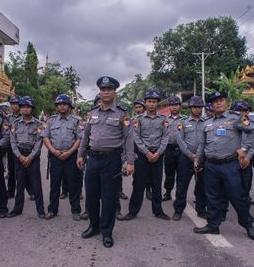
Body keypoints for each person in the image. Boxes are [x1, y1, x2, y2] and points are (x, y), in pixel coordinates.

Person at [77, 76, 134, 248]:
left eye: (109, 89)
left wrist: (130, 161)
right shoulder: (92, 113)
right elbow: (85, 136)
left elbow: (129, 138)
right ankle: (93, 226)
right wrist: (80, 155)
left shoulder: (122, 113)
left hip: (112, 161)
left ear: (115, 91)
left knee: (109, 198)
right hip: (93, 160)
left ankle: (107, 232)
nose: (106, 92)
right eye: (103, 89)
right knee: (92, 196)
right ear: (99, 92)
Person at [194, 90, 254, 241]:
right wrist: (198, 159)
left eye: (221, 100)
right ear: (211, 105)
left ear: (226, 102)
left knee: (237, 197)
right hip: (211, 165)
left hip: (229, 165)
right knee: (212, 198)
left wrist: (244, 149)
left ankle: (248, 225)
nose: (219, 103)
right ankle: (213, 225)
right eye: (215, 101)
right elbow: (202, 144)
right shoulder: (207, 123)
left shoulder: (235, 118)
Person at [124, 89, 171, 221]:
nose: (151, 104)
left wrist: (157, 153)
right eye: (149, 101)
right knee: (139, 184)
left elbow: (165, 137)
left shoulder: (163, 120)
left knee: (156, 185)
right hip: (142, 156)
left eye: (154, 102)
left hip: (157, 155)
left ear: (157, 103)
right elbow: (136, 137)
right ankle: (133, 211)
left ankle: (158, 211)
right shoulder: (138, 119)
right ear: (145, 103)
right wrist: (147, 152)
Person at [42, 94, 82, 220]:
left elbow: (79, 139)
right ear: (57, 107)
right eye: (59, 104)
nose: (62, 106)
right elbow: (45, 138)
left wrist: (69, 153)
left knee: (73, 185)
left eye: (64, 104)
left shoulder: (76, 121)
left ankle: (76, 210)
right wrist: (54, 151)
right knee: (54, 185)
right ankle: (52, 210)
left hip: (70, 156)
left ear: (69, 106)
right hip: (55, 156)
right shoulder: (51, 121)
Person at [8, 96, 45, 218]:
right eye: (23, 107)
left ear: (32, 109)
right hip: (19, 156)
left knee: (36, 185)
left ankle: (41, 211)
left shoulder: (39, 124)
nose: (25, 109)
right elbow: (12, 142)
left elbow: (39, 143)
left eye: (28, 107)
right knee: (20, 185)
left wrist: (30, 157)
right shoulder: (15, 124)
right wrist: (19, 156)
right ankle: (17, 209)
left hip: (32, 157)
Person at [173, 96, 206, 220]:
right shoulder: (183, 123)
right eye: (195, 107)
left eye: (199, 107)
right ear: (190, 108)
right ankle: (178, 210)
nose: (197, 109)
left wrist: (199, 156)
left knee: (202, 185)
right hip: (186, 158)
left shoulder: (206, 122)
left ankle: (201, 209)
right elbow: (180, 141)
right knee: (182, 185)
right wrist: (191, 155)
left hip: (202, 158)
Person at [163, 96, 186, 201]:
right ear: (169, 107)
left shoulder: (185, 119)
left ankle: (179, 195)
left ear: (180, 106)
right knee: (169, 172)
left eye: (176, 105)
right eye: (172, 105)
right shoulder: (165, 120)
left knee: (181, 174)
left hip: (182, 149)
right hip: (169, 149)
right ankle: (167, 192)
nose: (174, 107)